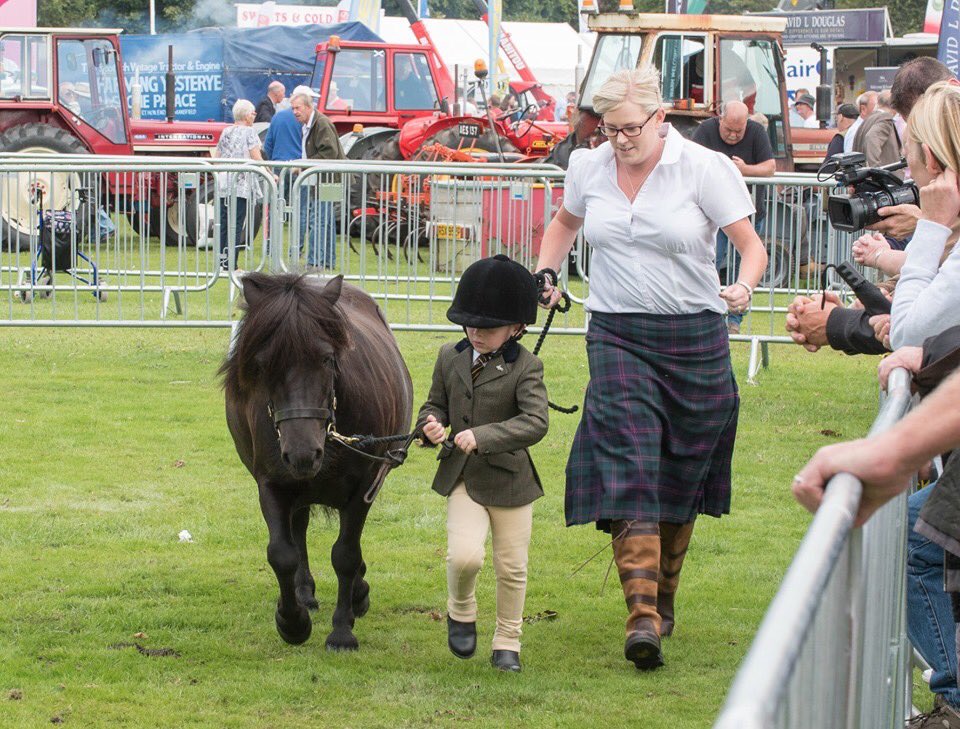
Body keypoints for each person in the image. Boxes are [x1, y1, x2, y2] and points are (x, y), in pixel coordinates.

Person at [534, 67, 768, 671]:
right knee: (630, 458)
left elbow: (752, 247)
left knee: (681, 472)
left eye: (630, 128)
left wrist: (742, 287)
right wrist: (547, 271)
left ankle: (663, 598)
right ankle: (641, 618)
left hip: (694, 333)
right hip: (615, 333)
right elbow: (565, 222)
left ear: (660, 119)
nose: (620, 140)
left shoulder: (703, 168)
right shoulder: (588, 166)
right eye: (609, 129)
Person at [415, 254, 548, 674]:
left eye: (487, 328)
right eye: (470, 324)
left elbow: (535, 421)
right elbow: (433, 404)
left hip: (511, 481)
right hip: (463, 477)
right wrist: (430, 424)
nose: (476, 332)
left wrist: (484, 436)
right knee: (465, 557)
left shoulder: (526, 366)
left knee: (512, 567)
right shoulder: (448, 356)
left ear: (516, 328)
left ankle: (508, 639)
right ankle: (460, 607)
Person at [692, 100, 775, 335]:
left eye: (739, 131)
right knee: (710, 261)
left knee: (745, 267)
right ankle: (709, 314)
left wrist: (743, 169)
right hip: (711, 215)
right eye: (728, 129)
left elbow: (770, 168)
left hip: (747, 212)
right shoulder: (705, 130)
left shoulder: (757, 132)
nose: (733, 135)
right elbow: (690, 162)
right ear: (720, 119)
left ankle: (735, 321)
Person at [890, 82, 960, 350]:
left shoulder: (936, 226)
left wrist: (930, 227)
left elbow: (908, 336)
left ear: (930, 159)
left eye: (907, 157)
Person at [290, 87, 344, 270]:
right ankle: (327, 261)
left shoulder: (321, 123)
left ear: (308, 107)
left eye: (297, 108)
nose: (295, 112)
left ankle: (314, 263)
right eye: (293, 109)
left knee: (319, 219)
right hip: (322, 178)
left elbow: (330, 153)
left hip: (327, 179)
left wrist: (303, 165)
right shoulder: (312, 124)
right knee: (325, 220)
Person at [211, 98, 263, 271]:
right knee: (236, 223)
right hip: (240, 184)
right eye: (253, 112)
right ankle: (231, 264)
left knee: (224, 223)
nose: (254, 115)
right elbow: (256, 156)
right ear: (247, 115)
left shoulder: (226, 131)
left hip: (224, 183)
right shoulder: (249, 132)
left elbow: (217, 157)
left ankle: (222, 262)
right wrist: (269, 173)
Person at [852, 90, 903, 174]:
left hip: (866, 180)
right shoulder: (885, 119)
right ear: (894, 106)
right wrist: (877, 172)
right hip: (883, 183)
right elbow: (871, 137)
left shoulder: (868, 119)